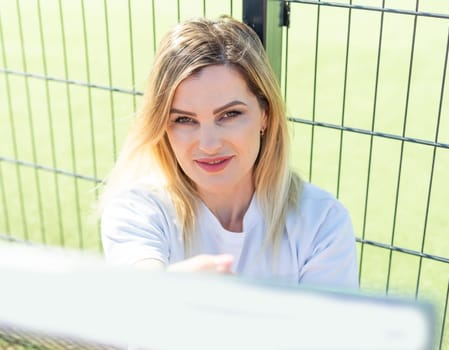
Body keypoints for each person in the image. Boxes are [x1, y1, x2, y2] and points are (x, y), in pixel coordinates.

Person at [99, 16, 358, 289]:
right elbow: (140, 291)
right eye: (184, 120)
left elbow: (327, 330)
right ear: (163, 126)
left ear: (265, 115)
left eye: (230, 114)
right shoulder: (137, 210)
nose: (209, 144)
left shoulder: (322, 221)